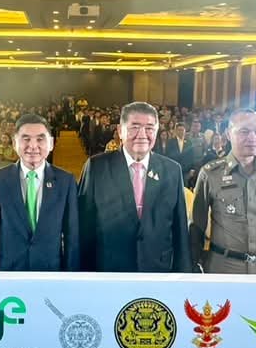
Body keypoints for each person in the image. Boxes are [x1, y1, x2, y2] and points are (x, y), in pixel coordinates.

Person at [78, 101, 191, 273]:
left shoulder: (172, 170)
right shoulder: (96, 167)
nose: (142, 135)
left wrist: (183, 275)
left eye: (149, 128)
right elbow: (84, 227)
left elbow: (180, 229)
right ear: (120, 131)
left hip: (158, 270)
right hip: (110, 270)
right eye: (135, 127)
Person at [191, 108, 256, 274]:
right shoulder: (211, 174)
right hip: (224, 268)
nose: (252, 137)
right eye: (244, 131)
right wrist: (194, 265)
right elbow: (196, 226)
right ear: (228, 134)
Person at [0, 114, 79, 271]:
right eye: (25, 139)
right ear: (15, 143)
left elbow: (72, 236)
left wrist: (71, 276)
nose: (33, 146)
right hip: (9, 271)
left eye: (40, 139)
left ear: (51, 143)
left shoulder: (66, 181)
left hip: (50, 271)